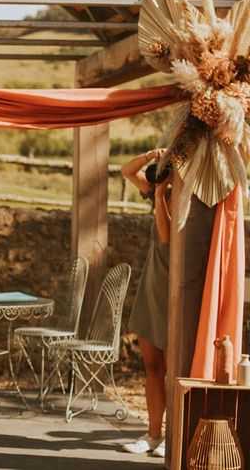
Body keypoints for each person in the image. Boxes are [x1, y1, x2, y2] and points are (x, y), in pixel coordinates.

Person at [120, 148, 171, 459]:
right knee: (152, 368)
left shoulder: (187, 196)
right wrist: (152, 154)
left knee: (172, 369)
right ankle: (153, 435)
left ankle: (171, 434)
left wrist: (163, 194)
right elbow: (127, 170)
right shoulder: (158, 190)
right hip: (152, 286)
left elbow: (166, 238)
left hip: (174, 290)